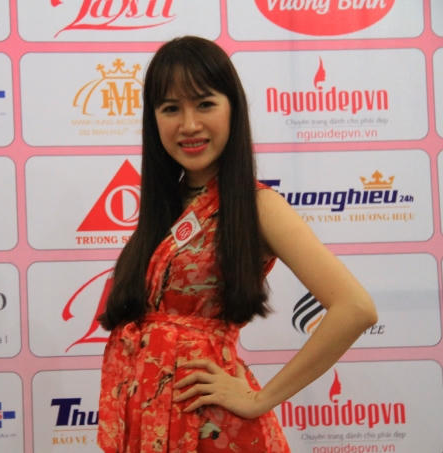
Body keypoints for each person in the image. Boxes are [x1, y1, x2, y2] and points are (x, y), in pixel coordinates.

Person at [96, 36, 377, 453]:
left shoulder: (258, 206)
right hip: (150, 424)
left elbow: (355, 308)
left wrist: (260, 398)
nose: (189, 124)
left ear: (233, 109)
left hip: (214, 429)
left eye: (205, 104)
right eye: (171, 108)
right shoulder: (164, 208)